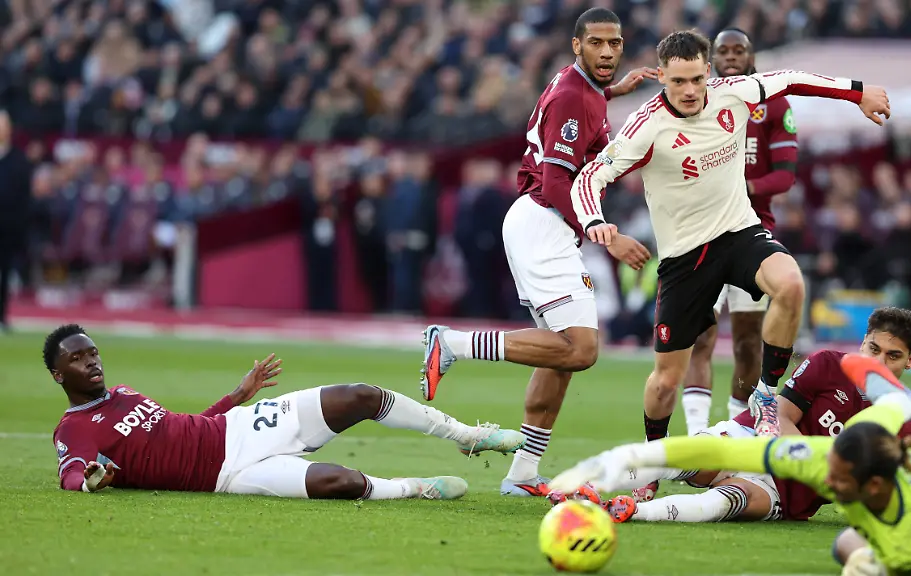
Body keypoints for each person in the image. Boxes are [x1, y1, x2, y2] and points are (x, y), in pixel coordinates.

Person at [567, 29, 891, 499]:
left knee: (792, 284)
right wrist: (597, 222)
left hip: (738, 233)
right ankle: (650, 464)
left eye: (698, 78)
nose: (691, 90)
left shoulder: (733, 93)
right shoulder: (646, 126)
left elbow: (792, 78)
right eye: (679, 81)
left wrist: (856, 92)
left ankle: (764, 397)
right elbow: (592, 175)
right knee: (664, 382)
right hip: (684, 259)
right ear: (662, 78)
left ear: (708, 72)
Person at [419, 8, 656, 497]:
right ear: (577, 45)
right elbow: (554, 180)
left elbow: (580, 108)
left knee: (563, 358)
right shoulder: (575, 95)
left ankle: (523, 473)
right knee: (582, 349)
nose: (608, 51)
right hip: (543, 222)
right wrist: (604, 234)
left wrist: (617, 90)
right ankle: (453, 344)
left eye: (615, 43)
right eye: (597, 43)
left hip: (542, 224)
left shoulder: (580, 88)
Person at [552, 355, 911, 575]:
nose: (830, 486)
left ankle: (635, 510)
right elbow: (729, 453)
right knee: (847, 541)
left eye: (838, 483)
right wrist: (629, 456)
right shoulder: (822, 461)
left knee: (737, 504)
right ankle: (897, 398)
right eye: (830, 476)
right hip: (787, 453)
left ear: (873, 486)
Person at [47, 324, 525, 499]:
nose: (91, 361)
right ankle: (417, 489)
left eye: (92, 352)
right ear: (58, 374)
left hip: (235, 430)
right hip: (226, 479)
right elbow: (72, 473)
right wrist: (89, 480)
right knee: (343, 483)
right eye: (77, 358)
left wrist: (237, 395)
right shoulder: (74, 428)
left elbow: (180, 427)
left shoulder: (125, 393)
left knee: (358, 395)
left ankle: (466, 435)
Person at [605, 307, 911, 523]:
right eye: (873, 349)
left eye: (893, 356)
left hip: (787, 495)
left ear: (909, 361)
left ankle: (633, 512)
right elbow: (782, 416)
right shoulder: (829, 363)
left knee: (727, 503)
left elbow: (877, 488)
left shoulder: (903, 422)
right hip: (756, 440)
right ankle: (585, 486)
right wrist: (820, 464)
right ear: (862, 343)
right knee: (694, 462)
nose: (879, 362)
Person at [681, 28, 801, 434]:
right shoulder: (696, 99)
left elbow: (785, 176)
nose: (731, 56)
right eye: (723, 51)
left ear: (752, 56)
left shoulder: (773, 103)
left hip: (751, 233)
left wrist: (745, 187)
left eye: (739, 50)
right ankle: (698, 435)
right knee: (700, 336)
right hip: (701, 234)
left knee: (749, 341)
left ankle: (736, 431)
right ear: (711, 57)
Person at [0, 110, 35, 332]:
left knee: (4, 271)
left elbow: (24, 198)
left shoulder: (19, 160)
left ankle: (2, 314)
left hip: (8, 226)